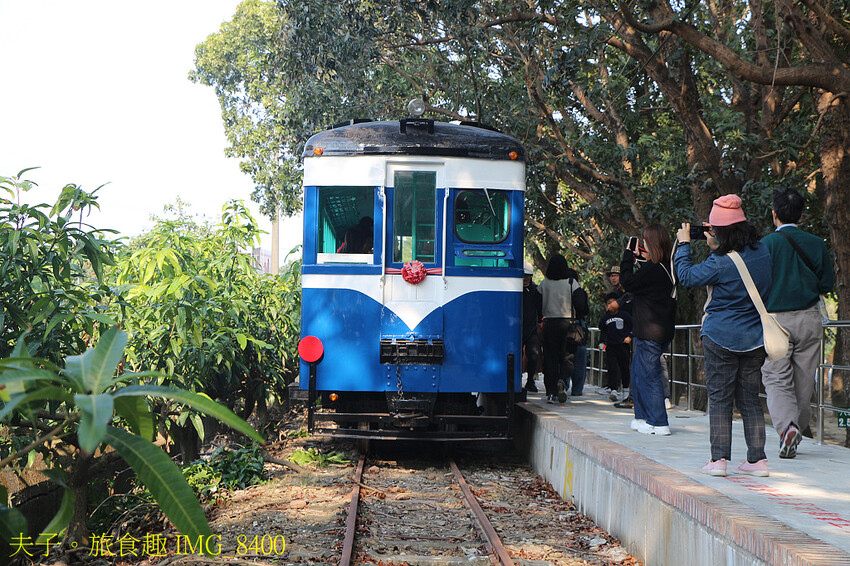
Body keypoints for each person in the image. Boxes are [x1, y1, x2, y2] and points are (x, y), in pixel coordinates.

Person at [675, 194, 772, 477]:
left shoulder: (720, 262)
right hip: (755, 337)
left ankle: (719, 460)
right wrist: (718, 245)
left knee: (719, 398)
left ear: (720, 231)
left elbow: (687, 276)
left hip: (720, 336)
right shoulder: (763, 251)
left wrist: (683, 244)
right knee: (750, 398)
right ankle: (757, 461)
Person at [760, 188, 834, 459]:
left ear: (774, 214)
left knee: (776, 376)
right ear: (801, 214)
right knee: (804, 377)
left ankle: (788, 427)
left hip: (777, 320)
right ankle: (797, 429)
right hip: (809, 317)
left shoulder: (766, 245)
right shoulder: (816, 243)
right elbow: (826, 283)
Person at [620, 224, 676, 435]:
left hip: (650, 332)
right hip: (657, 331)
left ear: (651, 244)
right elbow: (648, 274)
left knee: (650, 377)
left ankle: (659, 421)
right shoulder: (665, 267)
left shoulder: (653, 270)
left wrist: (627, 256)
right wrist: (640, 258)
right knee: (638, 374)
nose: (642, 245)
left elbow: (628, 281)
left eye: (644, 241)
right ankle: (643, 417)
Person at [538, 254, 581, 404]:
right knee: (567, 357)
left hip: (549, 324)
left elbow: (536, 304)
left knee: (549, 358)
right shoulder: (571, 282)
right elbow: (581, 303)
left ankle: (551, 392)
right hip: (567, 323)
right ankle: (562, 380)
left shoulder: (544, 284)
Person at [599, 292, 633, 405]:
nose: (611, 306)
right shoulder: (605, 318)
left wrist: (630, 336)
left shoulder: (625, 315)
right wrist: (602, 342)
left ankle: (626, 389)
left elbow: (634, 327)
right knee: (612, 367)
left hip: (623, 345)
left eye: (613, 303)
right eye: (608, 303)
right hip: (611, 346)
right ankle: (613, 389)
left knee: (624, 367)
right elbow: (602, 331)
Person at [522, 261, 543, 392]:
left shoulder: (535, 291)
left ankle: (530, 381)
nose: (525, 279)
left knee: (533, 354)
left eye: (528, 276)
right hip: (517, 328)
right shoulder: (515, 290)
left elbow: (540, 308)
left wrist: (540, 320)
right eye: (523, 276)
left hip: (531, 328)